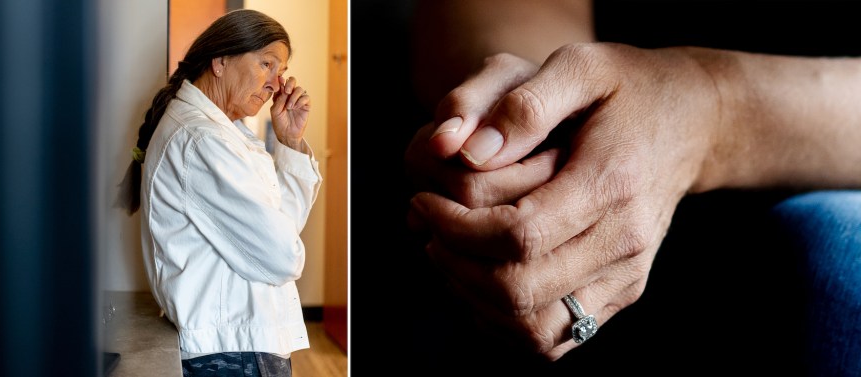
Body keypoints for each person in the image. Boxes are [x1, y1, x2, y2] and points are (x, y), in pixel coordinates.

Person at [353, 1, 861, 375]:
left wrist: (712, 109)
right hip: (610, 128)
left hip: (822, 148)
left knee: (834, 252)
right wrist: (538, 109)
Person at [121, 9, 320, 377]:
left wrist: (290, 141)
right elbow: (282, 256)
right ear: (220, 61)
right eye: (266, 64)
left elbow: (281, 234)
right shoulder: (200, 141)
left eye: (280, 70)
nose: (276, 83)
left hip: (241, 348)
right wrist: (284, 247)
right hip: (233, 357)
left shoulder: (221, 134)